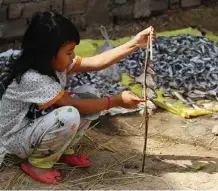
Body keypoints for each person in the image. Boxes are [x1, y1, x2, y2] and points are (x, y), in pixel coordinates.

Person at [0, 11, 156, 184]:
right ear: (48, 54)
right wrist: (116, 101)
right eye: (69, 52)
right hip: (14, 139)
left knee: (89, 93)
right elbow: (75, 105)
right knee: (69, 114)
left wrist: (135, 43)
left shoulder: (53, 64)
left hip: (33, 124)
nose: (73, 56)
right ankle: (38, 164)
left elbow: (97, 63)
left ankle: (63, 149)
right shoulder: (33, 78)